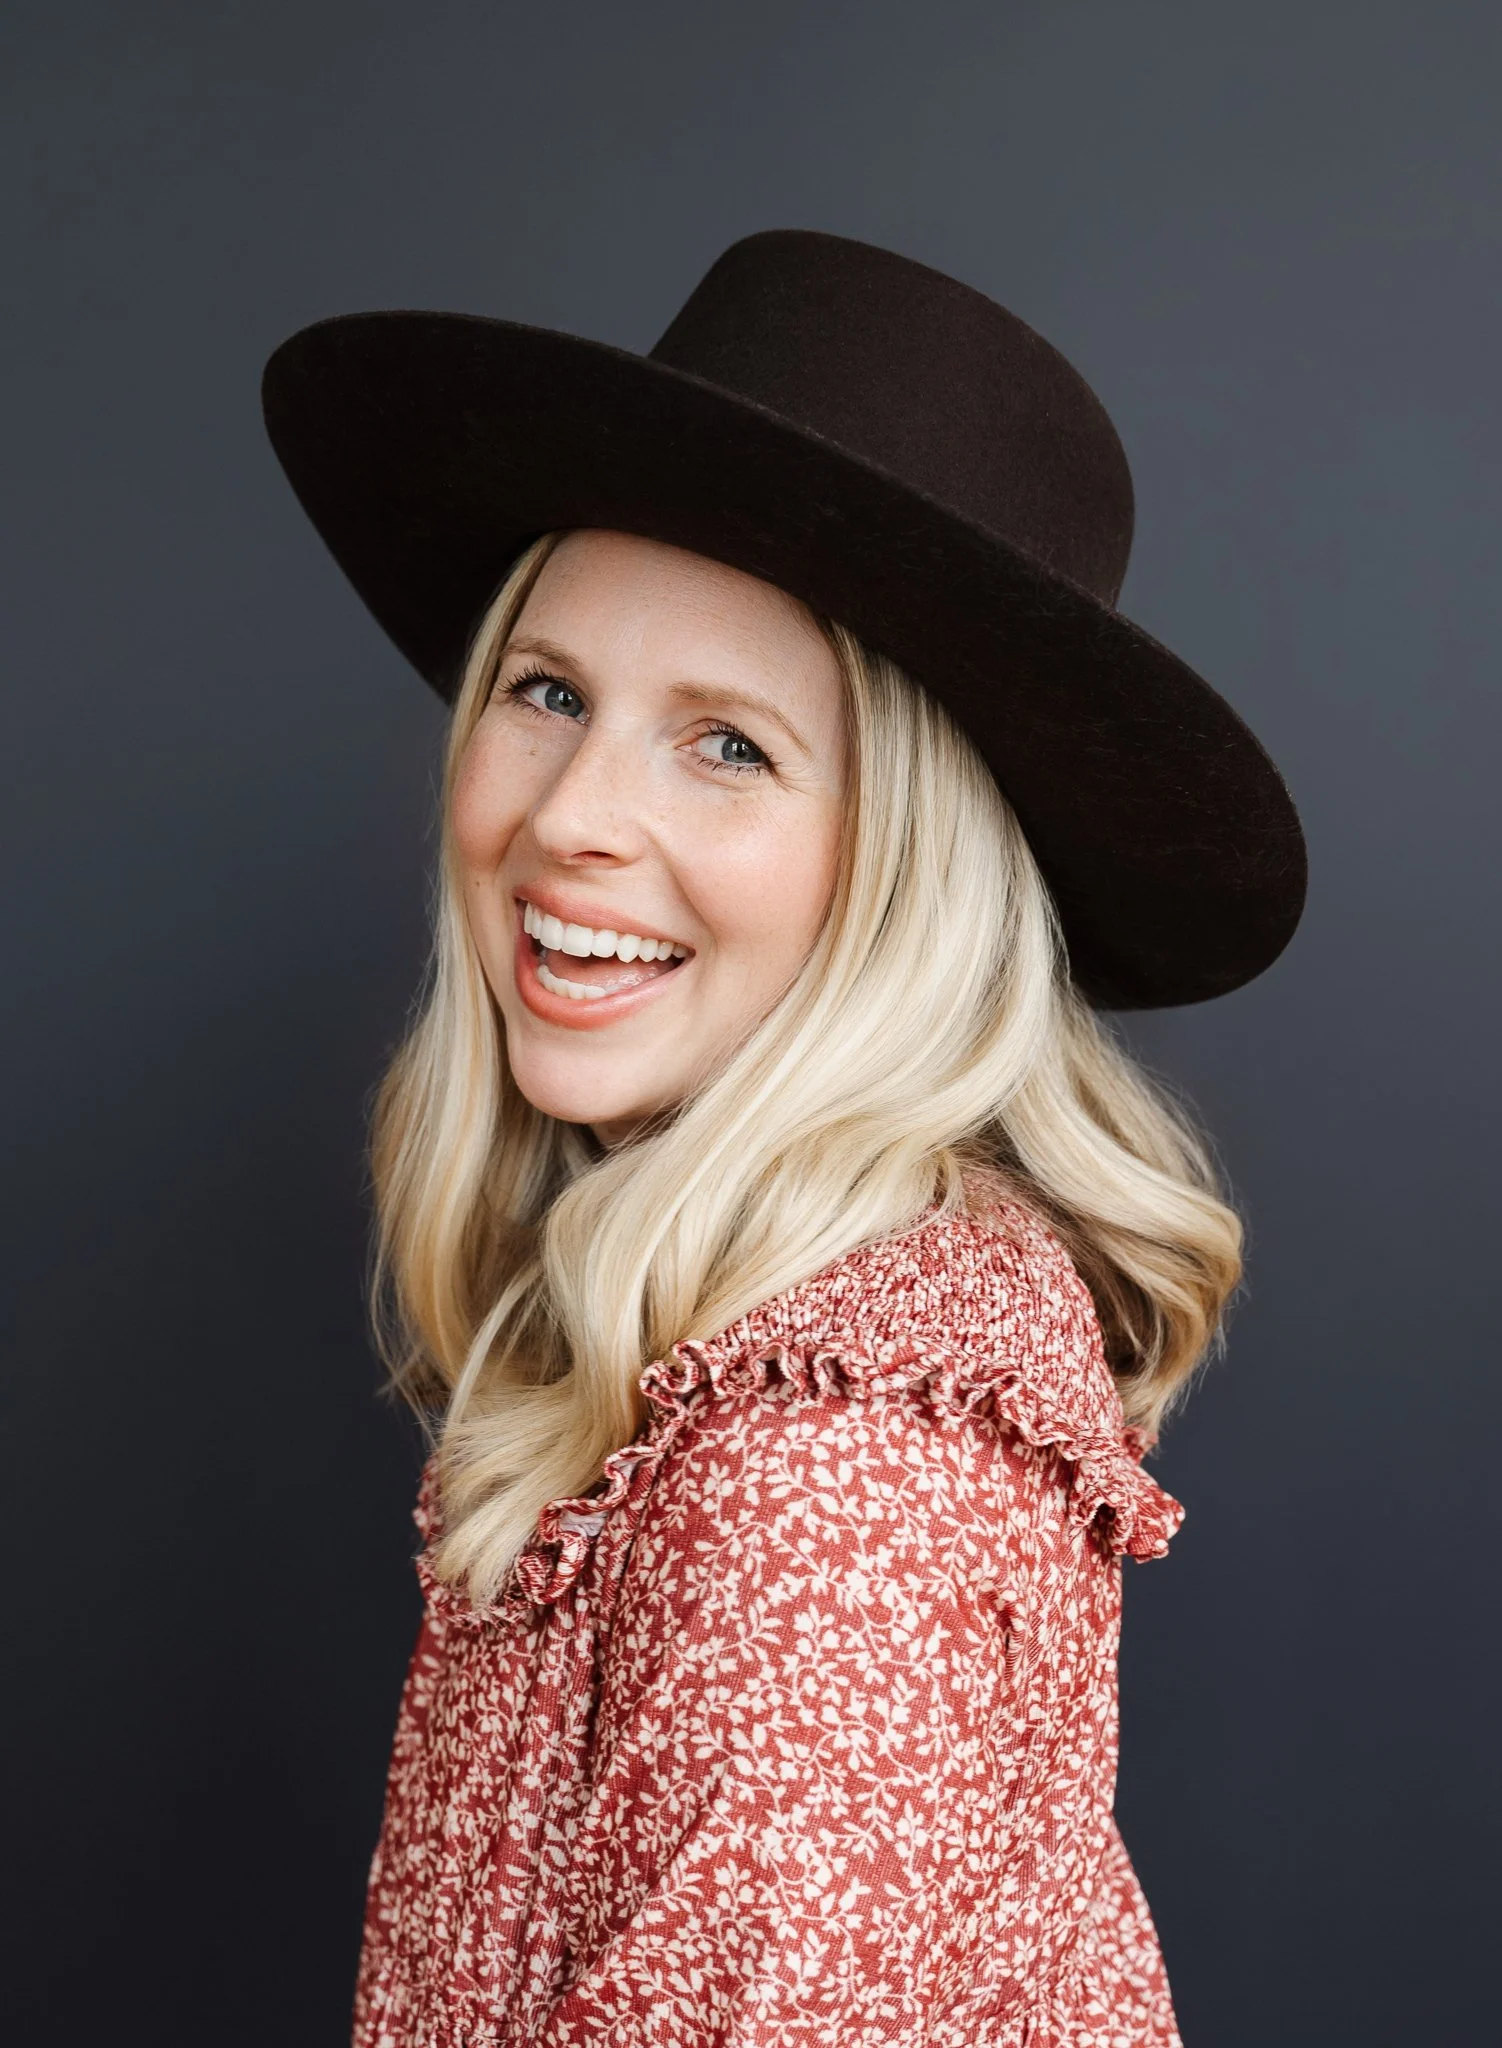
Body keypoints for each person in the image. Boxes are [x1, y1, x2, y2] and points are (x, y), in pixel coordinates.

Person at [262, 230, 1305, 2047]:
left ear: (908, 865)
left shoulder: (820, 1474)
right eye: (549, 691)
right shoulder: (780, 1331)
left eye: (728, 746)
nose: (573, 816)